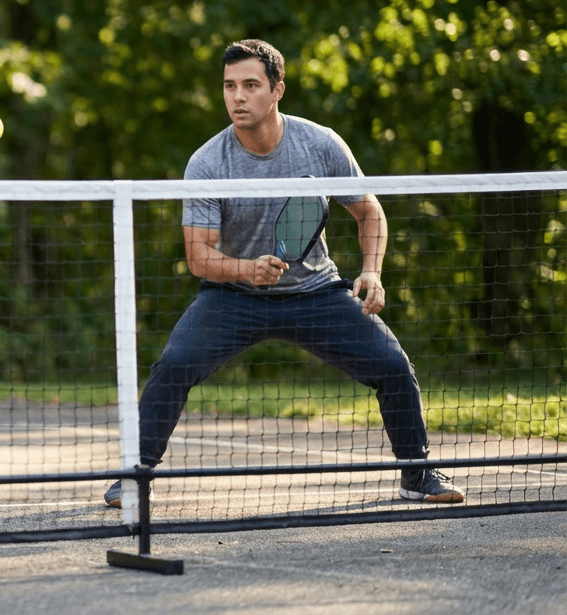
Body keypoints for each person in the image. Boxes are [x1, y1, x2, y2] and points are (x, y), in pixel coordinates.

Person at [104, 39, 463, 508]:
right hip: (232, 296)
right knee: (172, 367)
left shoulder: (320, 144)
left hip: (315, 292)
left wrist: (371, 273)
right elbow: (198, 257)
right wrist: (247, 270)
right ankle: (134, 475)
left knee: (393, 367)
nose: (238, 97)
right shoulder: (208, 162)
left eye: (250, 85)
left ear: (277, 91)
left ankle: (417, 476)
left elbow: (369, 212)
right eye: (230, 86)